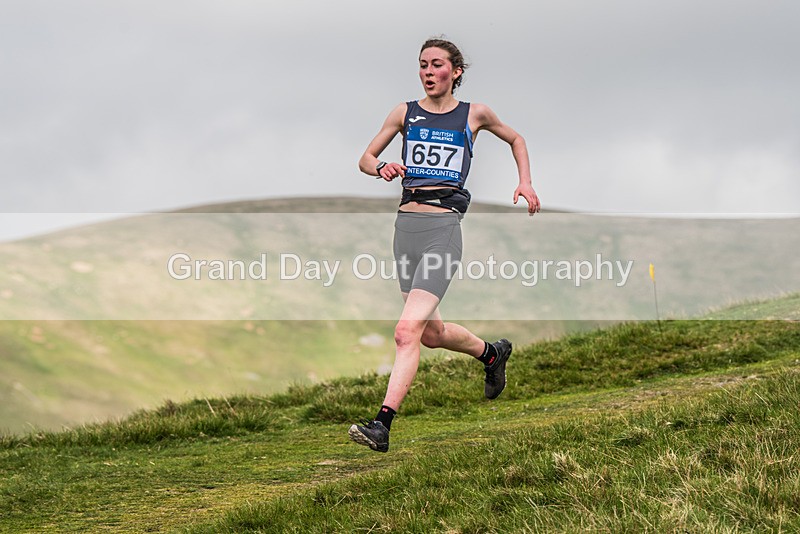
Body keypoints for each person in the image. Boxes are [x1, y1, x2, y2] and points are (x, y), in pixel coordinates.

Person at [349, 37, 540, 453]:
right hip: (405, 230)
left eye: (437, 64)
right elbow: (365, 159)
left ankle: (382, 424)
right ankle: (491, 355)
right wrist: (381, 166)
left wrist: (524, 182)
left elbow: (517, 139)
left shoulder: (475, 114)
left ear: (455, 72)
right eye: (423, 64)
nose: (428, 72)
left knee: (406, 332)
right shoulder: (405, 113)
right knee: (432, 334)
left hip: (443, 230)